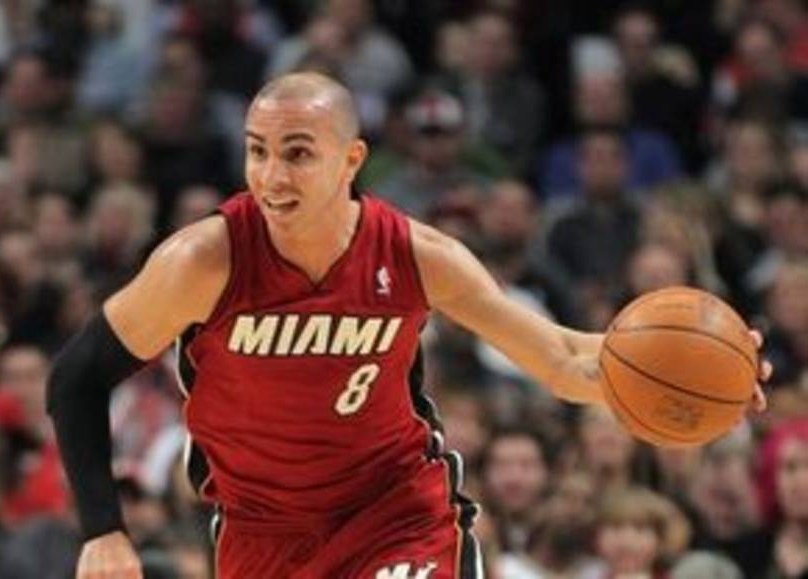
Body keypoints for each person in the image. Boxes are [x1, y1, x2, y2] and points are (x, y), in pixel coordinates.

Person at [46, 72, 771, 579]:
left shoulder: (417, 256)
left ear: (350, 159)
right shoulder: (203, 261)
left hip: (395, 513)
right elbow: (76, 379)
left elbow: (562, 358)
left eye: (297, 153)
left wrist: (702, 375)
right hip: (261, 533)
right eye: (257, 150)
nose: (271, 176)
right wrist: (103, 530)